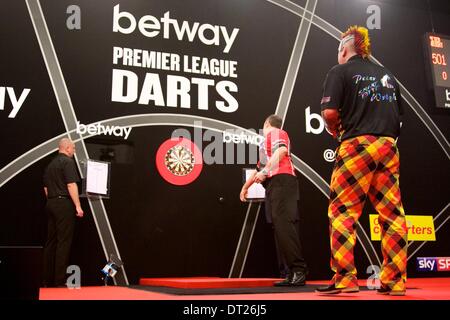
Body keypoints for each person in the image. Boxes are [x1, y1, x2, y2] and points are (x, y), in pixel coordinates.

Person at [316, 26, 407, 295]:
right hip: (389, 146)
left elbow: (330, 112)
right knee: (392, 214)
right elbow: (400, 118)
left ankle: (345, 278)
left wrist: (336, 131)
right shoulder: (387, 75)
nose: (338, 54)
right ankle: (395, 281)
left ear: (344, 49)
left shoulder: (339, 71)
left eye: (338, 50)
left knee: (343, 212)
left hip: (357, 144)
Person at [240, 115, 308, 286]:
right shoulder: (265, 147)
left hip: (282, 181)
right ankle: (293, 272)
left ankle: (299, 271)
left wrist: (265, 172)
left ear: (266, 124)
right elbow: (259, 169)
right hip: (274, 185)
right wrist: (245, 187)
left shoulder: (276, 132)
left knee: (284, 225)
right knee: (280, 227)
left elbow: (281, 151)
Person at [43, 138, 84, 287]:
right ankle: (59, 281)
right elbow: (71, 184)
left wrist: (53, 201)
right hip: (63, 203)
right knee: (63, 242)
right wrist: (78, 206)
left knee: (51, 242)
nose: (74, 151)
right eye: (73, 148)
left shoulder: (50, 165)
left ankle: (46, 280)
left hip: (51, 203)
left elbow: (46, 189)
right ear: (67, 148)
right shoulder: (67, 162)